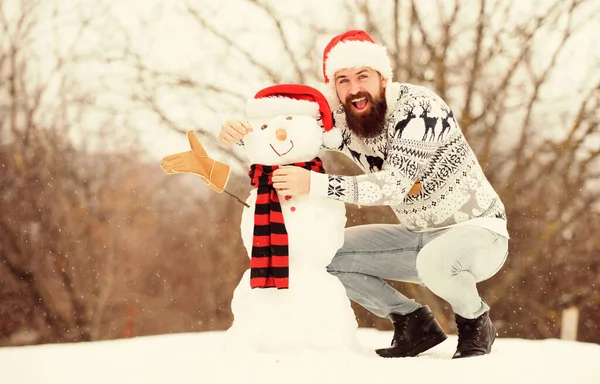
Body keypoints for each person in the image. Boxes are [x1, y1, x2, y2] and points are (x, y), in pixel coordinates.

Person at [218, 30, 509, 359]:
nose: (354, 88)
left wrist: (315, 183)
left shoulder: (420, 110)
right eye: (343, 80)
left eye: (362, 76)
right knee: (326, 257)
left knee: (435, 262)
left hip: (480, 234)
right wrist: (242, 134)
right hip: (417, 236)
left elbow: (395, 184)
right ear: (334, 88)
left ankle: (475, 322)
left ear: (382, 78)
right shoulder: (344, 121)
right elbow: (288, 139)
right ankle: (413, 322)